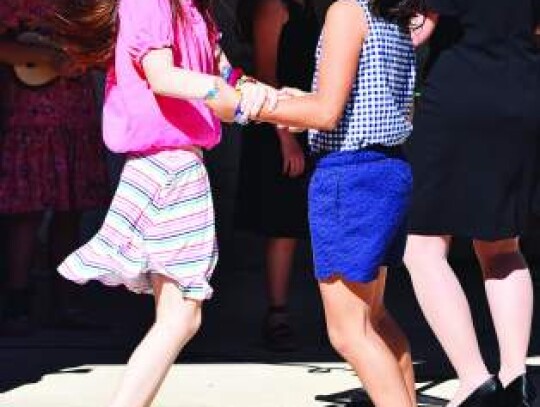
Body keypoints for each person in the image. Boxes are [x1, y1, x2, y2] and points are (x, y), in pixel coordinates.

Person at [52, 0, 275, 405]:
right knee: (181, 316)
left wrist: (263, 97)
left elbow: (223, 71)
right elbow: (162, 76)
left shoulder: (195, 10)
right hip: (167, 166)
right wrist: (221, 92)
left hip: (177, 165)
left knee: (179, 317)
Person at [253, 0, 420, 404]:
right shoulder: (389, 14)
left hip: (351, 176)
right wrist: (298, 103)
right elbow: (349, 102)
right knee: (373, 321)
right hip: (385, 169)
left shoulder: (347, 11)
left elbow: (326, 113)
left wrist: (251, 105)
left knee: (349, 332)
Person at [405, 1, 540, 406]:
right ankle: (517, 379)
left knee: (423, 247)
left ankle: (473, 379)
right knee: (502, 244)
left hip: (460, 95)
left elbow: (418, 29)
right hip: (523, 91)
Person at [0, 0, 111, 335]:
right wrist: (46, 58)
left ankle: (67, 302)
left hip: (74, 118)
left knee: (71, 212)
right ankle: (17, 303)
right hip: (28, 119)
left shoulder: (83, 5)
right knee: (26, 214)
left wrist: (81, 59)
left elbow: (105, 50)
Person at [234, 0, 319, 352]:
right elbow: (266, 75)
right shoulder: (272, 6)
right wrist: (285, 137)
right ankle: (277, 314)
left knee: (293, 223)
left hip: (303, 120)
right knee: (282, 226)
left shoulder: (305, 8)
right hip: (278, 126)